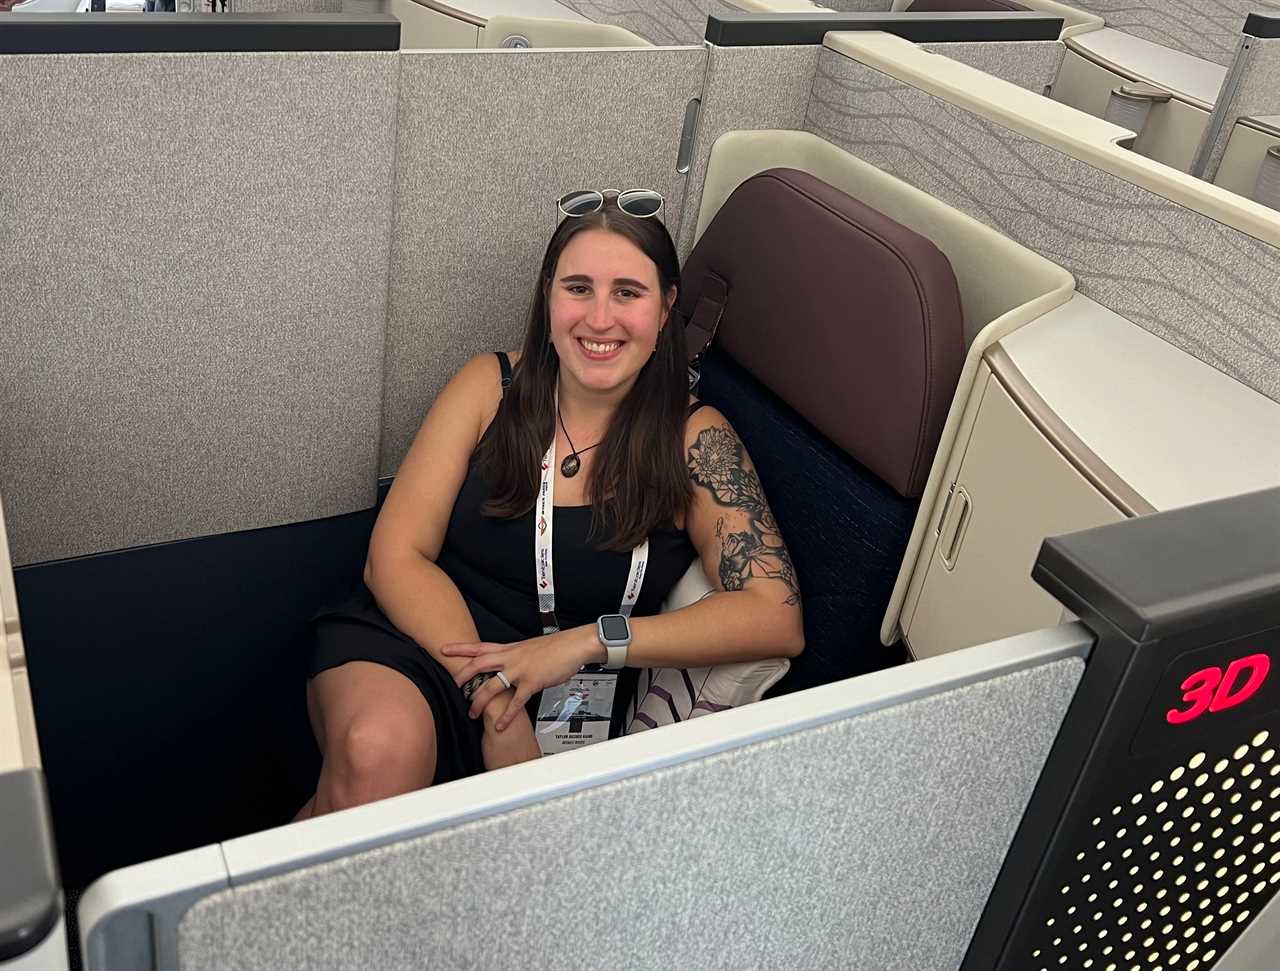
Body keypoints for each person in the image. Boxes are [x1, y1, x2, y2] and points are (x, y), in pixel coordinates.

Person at [298, 190, 803, 818]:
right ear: (547, 297)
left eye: (627, 292)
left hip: (569, 692)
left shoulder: (696, 441)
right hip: (429, 650)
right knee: (376, 753)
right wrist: (495, 697)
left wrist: (591, 641)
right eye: (579, 288)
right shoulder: (488, 387)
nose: (599, 318)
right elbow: (396, 558)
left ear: (667, 306)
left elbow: (776, 617)